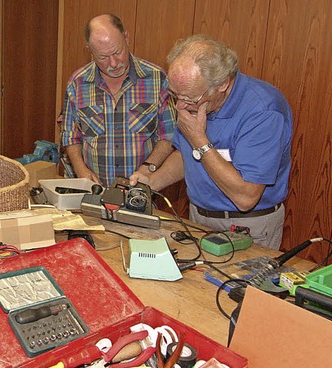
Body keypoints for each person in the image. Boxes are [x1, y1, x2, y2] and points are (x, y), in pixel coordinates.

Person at [130, 35, 292, 249]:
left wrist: (199, 138)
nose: (181, 106)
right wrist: (152, 182)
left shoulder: (264, 111)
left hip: (247, 226)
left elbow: (245, 197)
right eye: (174, 95)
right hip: (198, 217)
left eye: (190, 99)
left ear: (223, 83)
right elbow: (185, 155)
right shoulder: (191, 100)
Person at [61, 13, 176, 187]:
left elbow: (168, 136)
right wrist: (81, 171)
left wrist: (148, 168)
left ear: (126, 38)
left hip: (141, 189)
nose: (114, 63)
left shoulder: (156, 79)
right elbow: (71, 136)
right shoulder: (77, 84)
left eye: (117, 52)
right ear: (89, 51)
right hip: (94, 190)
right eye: (103, 57)